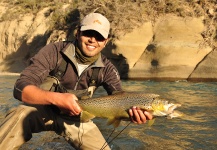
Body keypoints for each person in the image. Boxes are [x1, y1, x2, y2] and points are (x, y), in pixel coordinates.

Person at [0, 13, 152, 150]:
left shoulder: (107, 69)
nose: (93, 40)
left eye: (99, 37)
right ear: (78, 32)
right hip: (41, 111)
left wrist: (132, 113)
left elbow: (120, 98)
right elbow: (20, 88)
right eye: (88, 33)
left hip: (77, 119)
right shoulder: (53, 52)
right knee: (18, 114)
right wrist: (57, 99)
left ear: (106, 41)